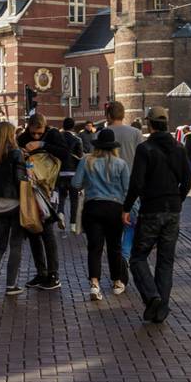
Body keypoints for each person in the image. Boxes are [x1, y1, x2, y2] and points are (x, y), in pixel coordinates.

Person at [124, 106, 191, 323]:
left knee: (138, 256)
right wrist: (177, 199)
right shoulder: (179, 148)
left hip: (151, 209)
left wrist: (126, 208)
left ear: (149, 124)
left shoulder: (145, 149)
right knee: (165, 261)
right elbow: (188, 180)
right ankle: (161, 308)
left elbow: (136, 183)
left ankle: (152, 296)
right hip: (173, 210)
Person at [73, 128, 130, 300]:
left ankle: (94, 284)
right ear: (113, 146)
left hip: (93, 207)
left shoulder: (86, 161)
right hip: (114, 208)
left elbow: (76, 183)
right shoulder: (121, 164)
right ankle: (117, 281)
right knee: (114, 246)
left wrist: (88, 184)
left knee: (94, 247)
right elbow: (127, 189)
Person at [0, 120, 27, 296]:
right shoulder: (16, 153)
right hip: (14, 203)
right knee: (15, 245)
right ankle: (10, 286)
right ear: (10, 134)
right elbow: (20, 179)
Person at [19, 115, 62, 289]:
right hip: (29, 190)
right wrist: (20, 153)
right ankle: (41, 272)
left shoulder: (53, 135)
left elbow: (65, 154)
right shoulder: (22, 138)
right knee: (33, 230)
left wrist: (42, 145)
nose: (36, 136)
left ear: (45, 128)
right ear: (28, 128)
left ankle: (53, 275)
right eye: (33, 133)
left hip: (49, 189)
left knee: (47, 231)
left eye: (39, 133)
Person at [57, 117, 84, 227]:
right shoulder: (77, 139)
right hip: (73, 174)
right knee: (74, 200)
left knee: (61, 196)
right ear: (73, 127)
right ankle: (73, 224)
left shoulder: (58, 138)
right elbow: (80, 157)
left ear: (63, 126)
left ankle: (61, 213)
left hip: (61, 172)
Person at [103, 100, 140, 173]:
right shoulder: (136, 133)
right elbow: (141, 158)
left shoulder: (99, 134)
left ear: (109, 115)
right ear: (123, 115)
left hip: (106, 179)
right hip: (130, 177)